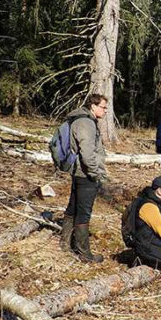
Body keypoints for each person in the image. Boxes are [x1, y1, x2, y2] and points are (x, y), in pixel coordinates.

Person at [59, 93, 108, 263]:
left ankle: (65, 244)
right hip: (85, 174)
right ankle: (84, 253)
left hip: (79, 172)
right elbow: (87, 153)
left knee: (73, 207)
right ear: (93, 106)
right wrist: (95, 173)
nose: (105, 111)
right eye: (103, 107)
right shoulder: (86, 123)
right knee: (83, 212)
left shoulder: (81, 120)